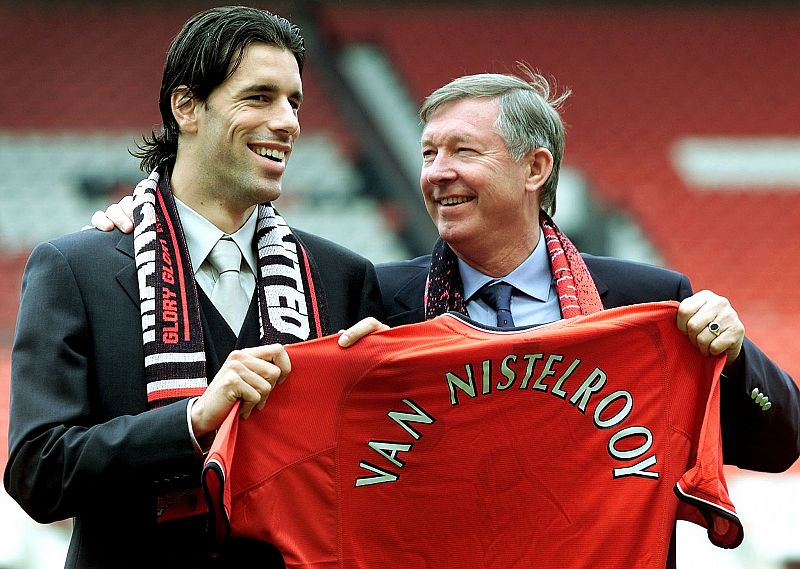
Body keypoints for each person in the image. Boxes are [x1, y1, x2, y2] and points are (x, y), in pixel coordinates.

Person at [91, 67, 800, 567]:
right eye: (428, 153)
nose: (435, 172)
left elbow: (780, 443)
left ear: (534, 168)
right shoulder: (373, 297)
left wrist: (735, 355)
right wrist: (153, 224)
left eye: (463, 151)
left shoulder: (643, 301)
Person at [4, 6, 382, 569]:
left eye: (294, 102)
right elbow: (38, 473)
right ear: (186, 107)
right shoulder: (75, 269)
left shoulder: (343, 277)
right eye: (259, 97)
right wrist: (192, 421)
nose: (287, 122)